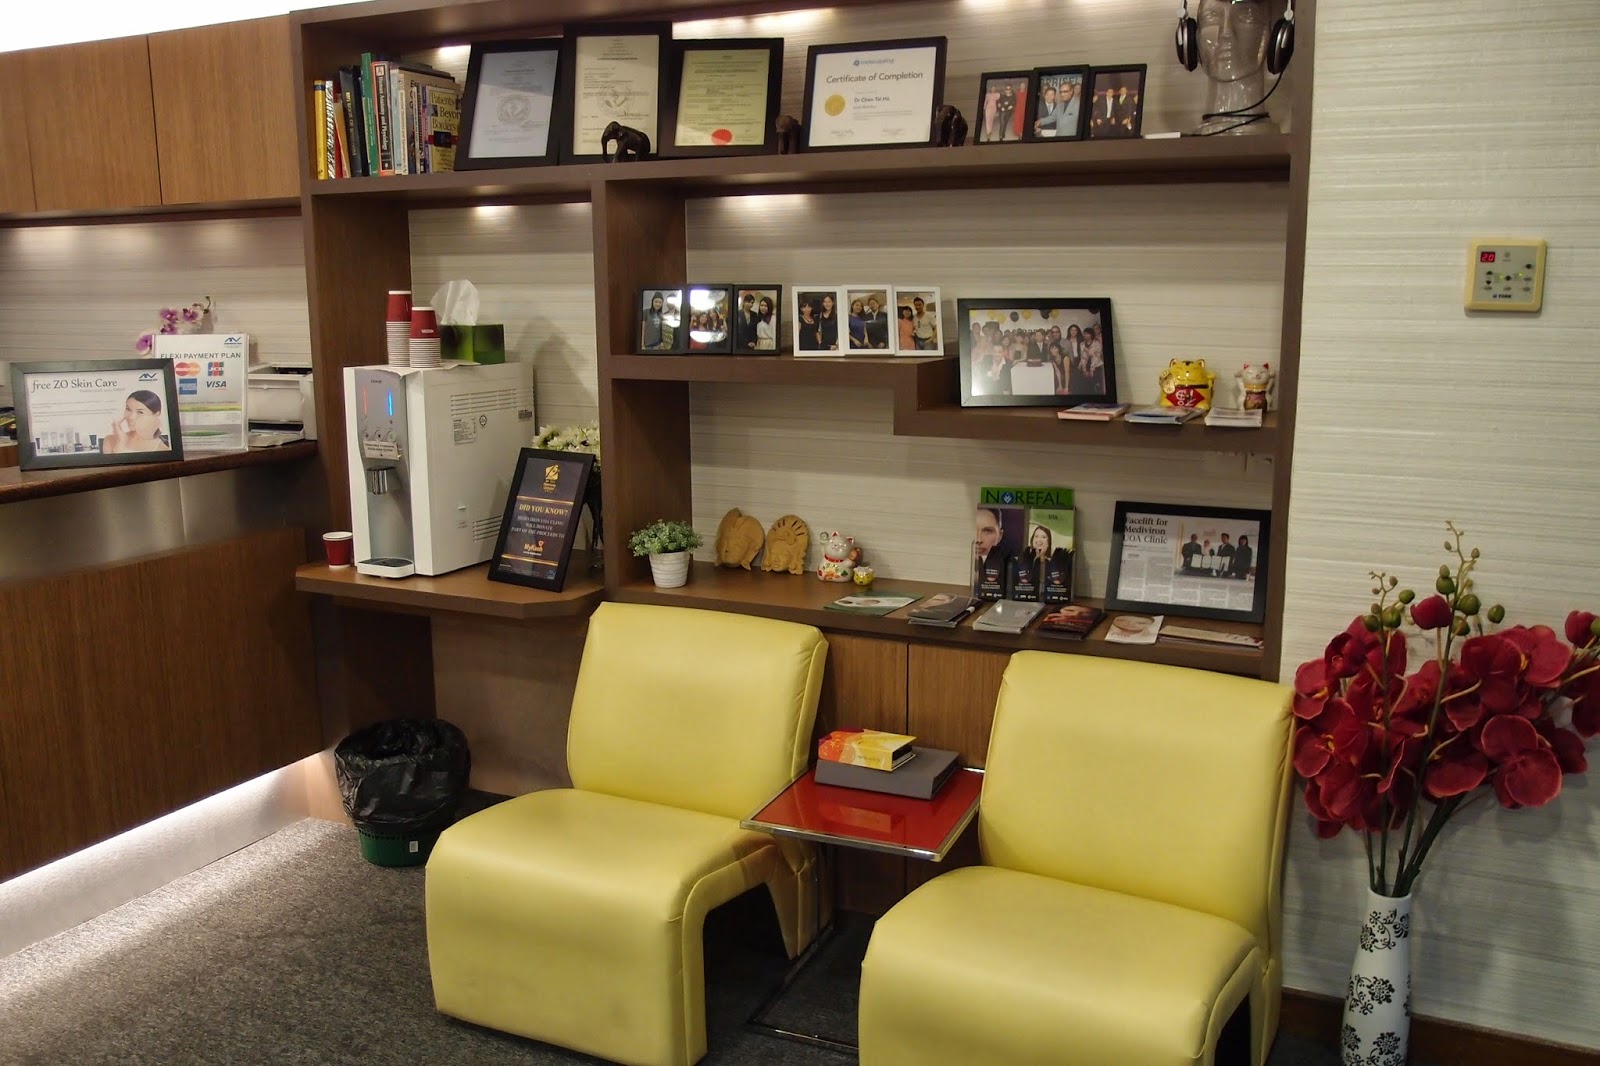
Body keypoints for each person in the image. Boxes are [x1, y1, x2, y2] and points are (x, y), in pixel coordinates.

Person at [101, 390, 171, 454]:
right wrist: (120, 442)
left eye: (140, 412)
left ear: (156, 415)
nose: (131, 417)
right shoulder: (110, 440)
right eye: (128, 409)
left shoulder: (161, 449)